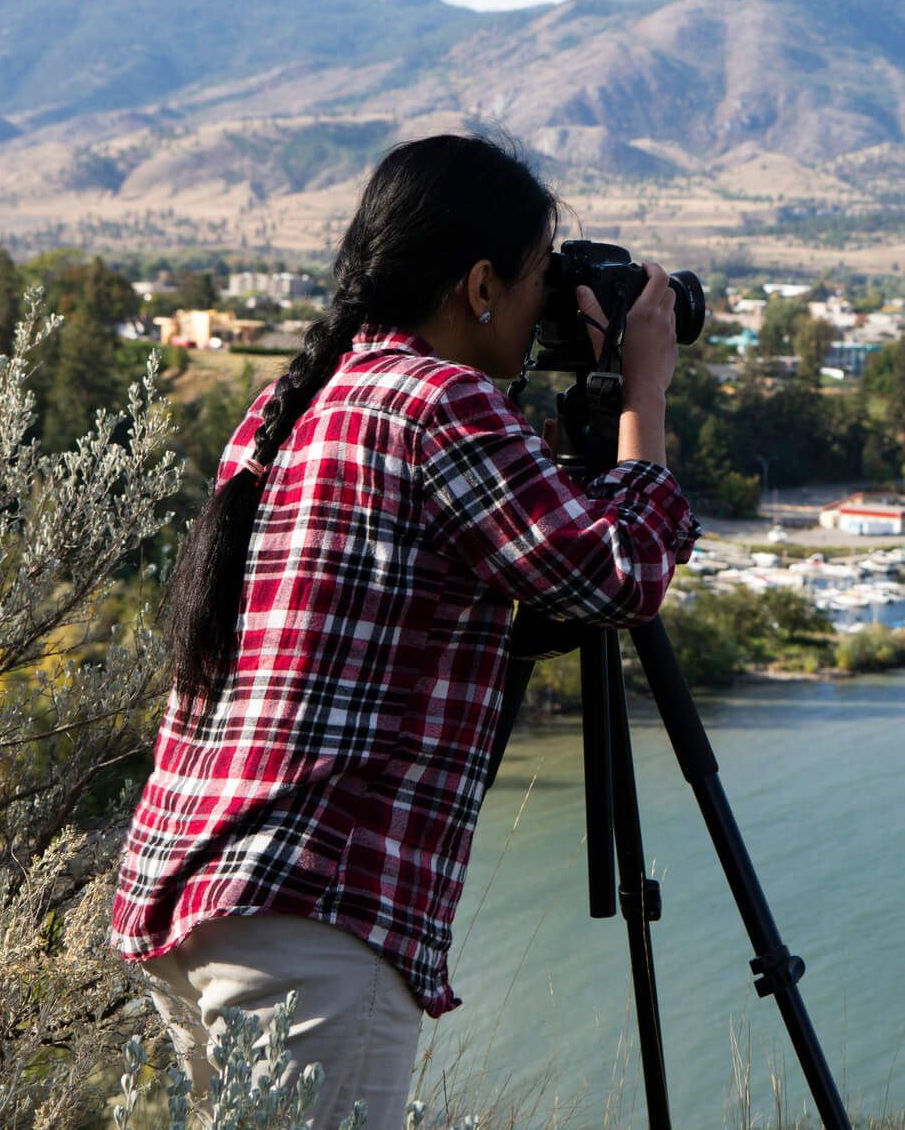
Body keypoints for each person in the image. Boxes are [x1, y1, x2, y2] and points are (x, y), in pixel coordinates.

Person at [110, 135, 699, 1127]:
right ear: (478, 285)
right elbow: (617, 575)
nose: (539, 304)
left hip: (185, 896)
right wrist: (645, 390)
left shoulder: (282, 409)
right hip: (311, 918)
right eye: (534, 279)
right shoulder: (439, 403)